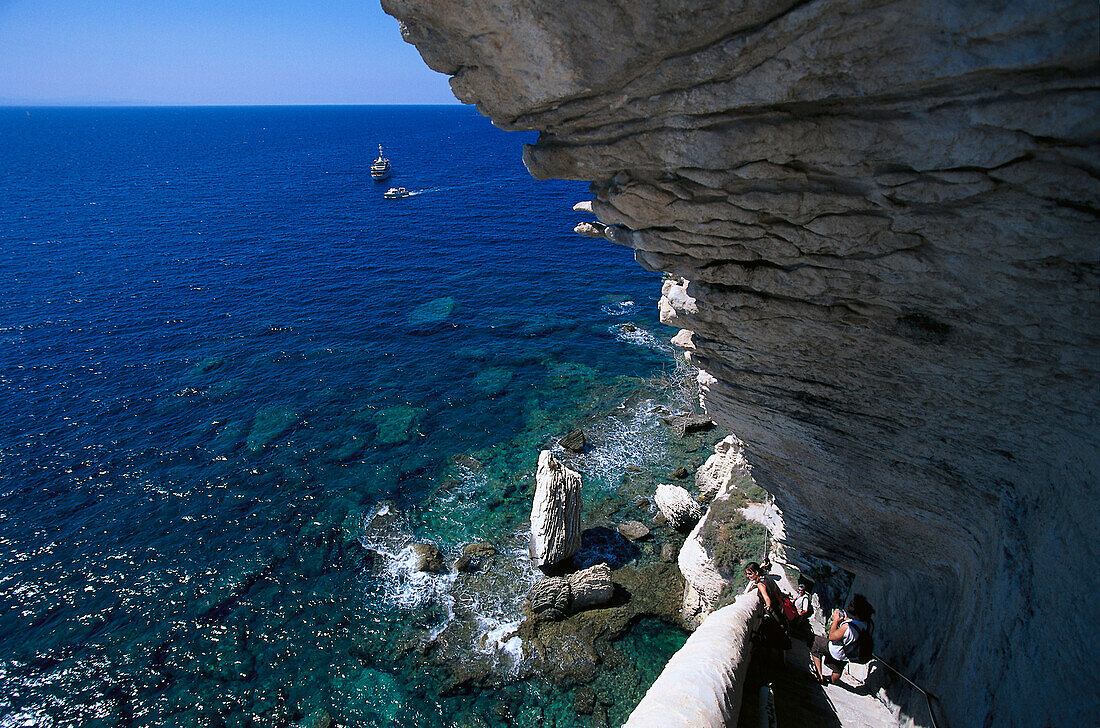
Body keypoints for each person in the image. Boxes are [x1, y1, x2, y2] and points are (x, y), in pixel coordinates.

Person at [810, 593, 874, 684]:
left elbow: (832, 637)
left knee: (815, 643)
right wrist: (848, 619)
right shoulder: (869, 625)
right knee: (838, 668)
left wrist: (835, 620)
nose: (849, 606)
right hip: (849, 654)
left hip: (836, 651)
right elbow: (857, 632)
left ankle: (819, 676)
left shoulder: (847, 627)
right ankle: (833, 681)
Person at [745, 561, 791, 666]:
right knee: (782, 636)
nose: (748, 576)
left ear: (756, 572)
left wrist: (768, 605)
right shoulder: (766, 576)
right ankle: (783, 661)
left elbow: (766, 597)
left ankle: (774, 663)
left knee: (773, 638)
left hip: (774, 614)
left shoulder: (761, 584)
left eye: (750, 573)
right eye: (747, 573)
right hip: (780, 609)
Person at [791, 580, 814, 644]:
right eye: (799, 590)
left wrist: (800, 614)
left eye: (801, 590)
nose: (800, 591)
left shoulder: (805, 598)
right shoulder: (799, 595)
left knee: (794, 624)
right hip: (794, 611)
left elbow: (805, 610)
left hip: (798, 614)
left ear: (804, 591)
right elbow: (796, 599)